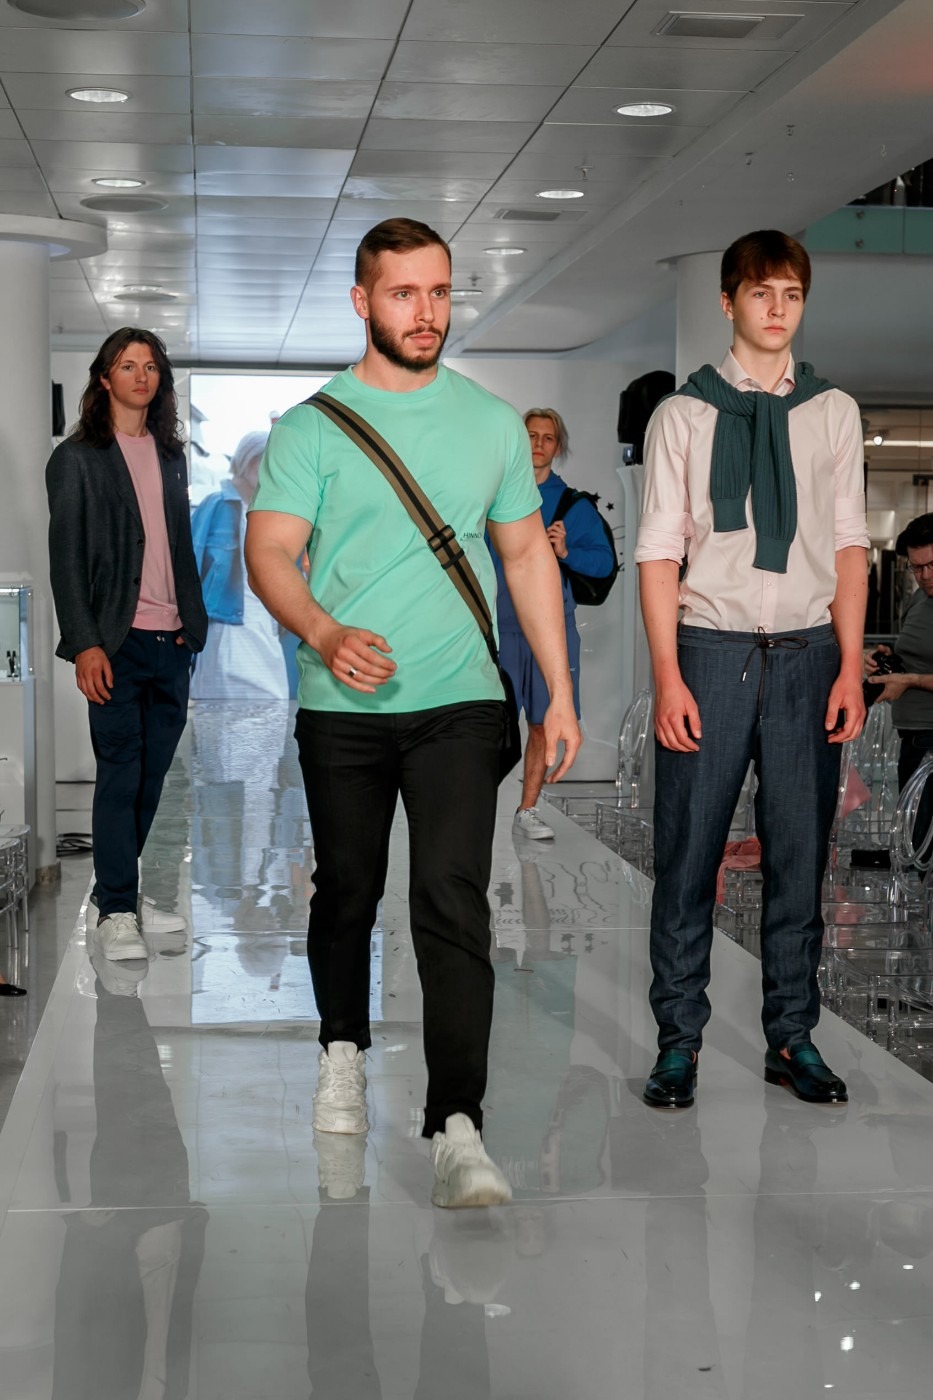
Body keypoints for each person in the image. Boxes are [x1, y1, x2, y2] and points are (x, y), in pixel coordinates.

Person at [245, 216, 580, 1207]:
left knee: (451, 895)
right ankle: (341, 1049)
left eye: (439, 291)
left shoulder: (490, 423)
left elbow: (524, 557)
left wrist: (558, 693)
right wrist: (321, 630)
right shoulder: (312, 427)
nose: (426, 311)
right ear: (363, 301)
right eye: (404, 293)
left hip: (461, 699)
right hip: (341, 703)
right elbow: (269, 552)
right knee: (347, 890)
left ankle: (458, 1123)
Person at [634, 229, 869, 1109]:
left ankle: (790, 1037)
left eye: (791, 294)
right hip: (710, 650)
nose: (776, 310)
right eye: (761, 292)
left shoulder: (831, 411)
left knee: (798, 858)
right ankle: (677, 1044)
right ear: (727, 301)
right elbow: (658, 554)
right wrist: (667, 675)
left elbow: (848, 547)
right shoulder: (683, 414)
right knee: (687, 855)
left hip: (810, 654)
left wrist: (849, 667)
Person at [46, 328, 208, 962]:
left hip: (173, 640)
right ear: (104, 378)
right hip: (115, 643)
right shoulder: (78, 458)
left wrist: (192, 623)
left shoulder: (170, 454)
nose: (141, 376)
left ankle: (115, 896)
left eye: (150, 366)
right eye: (127, 365)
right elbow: (65, 561)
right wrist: (86, 644)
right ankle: (116, 909)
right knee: (119, 774)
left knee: (150, 778)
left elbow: (178, 545)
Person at [490, 408, 616, 840]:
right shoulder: (493, 497)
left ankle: (527, 810)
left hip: (551, 630)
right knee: (487, 723)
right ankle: (475, 807)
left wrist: (566, 553)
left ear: (557, 447)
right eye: (531, 435)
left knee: (543, 724)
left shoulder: (572, 506)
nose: (539, 444)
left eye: (547, 437)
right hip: (497, 629)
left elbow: (603, 564)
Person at [190, 429, 290, 701]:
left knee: (270, 705)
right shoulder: (215, 505)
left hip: (265, 628)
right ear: (246, 459)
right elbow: (188, 564)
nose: (269, 467)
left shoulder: (274, 513)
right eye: (263, 458)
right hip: (224, 627)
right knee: (224, 709)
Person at [865, 512, 933, 847]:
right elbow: (917, 650)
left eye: (932, 565)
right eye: (916, 568)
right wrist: (888, 656)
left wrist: (910, 681)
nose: (925, 576)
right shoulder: (920, 598)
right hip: (913, 738)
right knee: (915, 841)